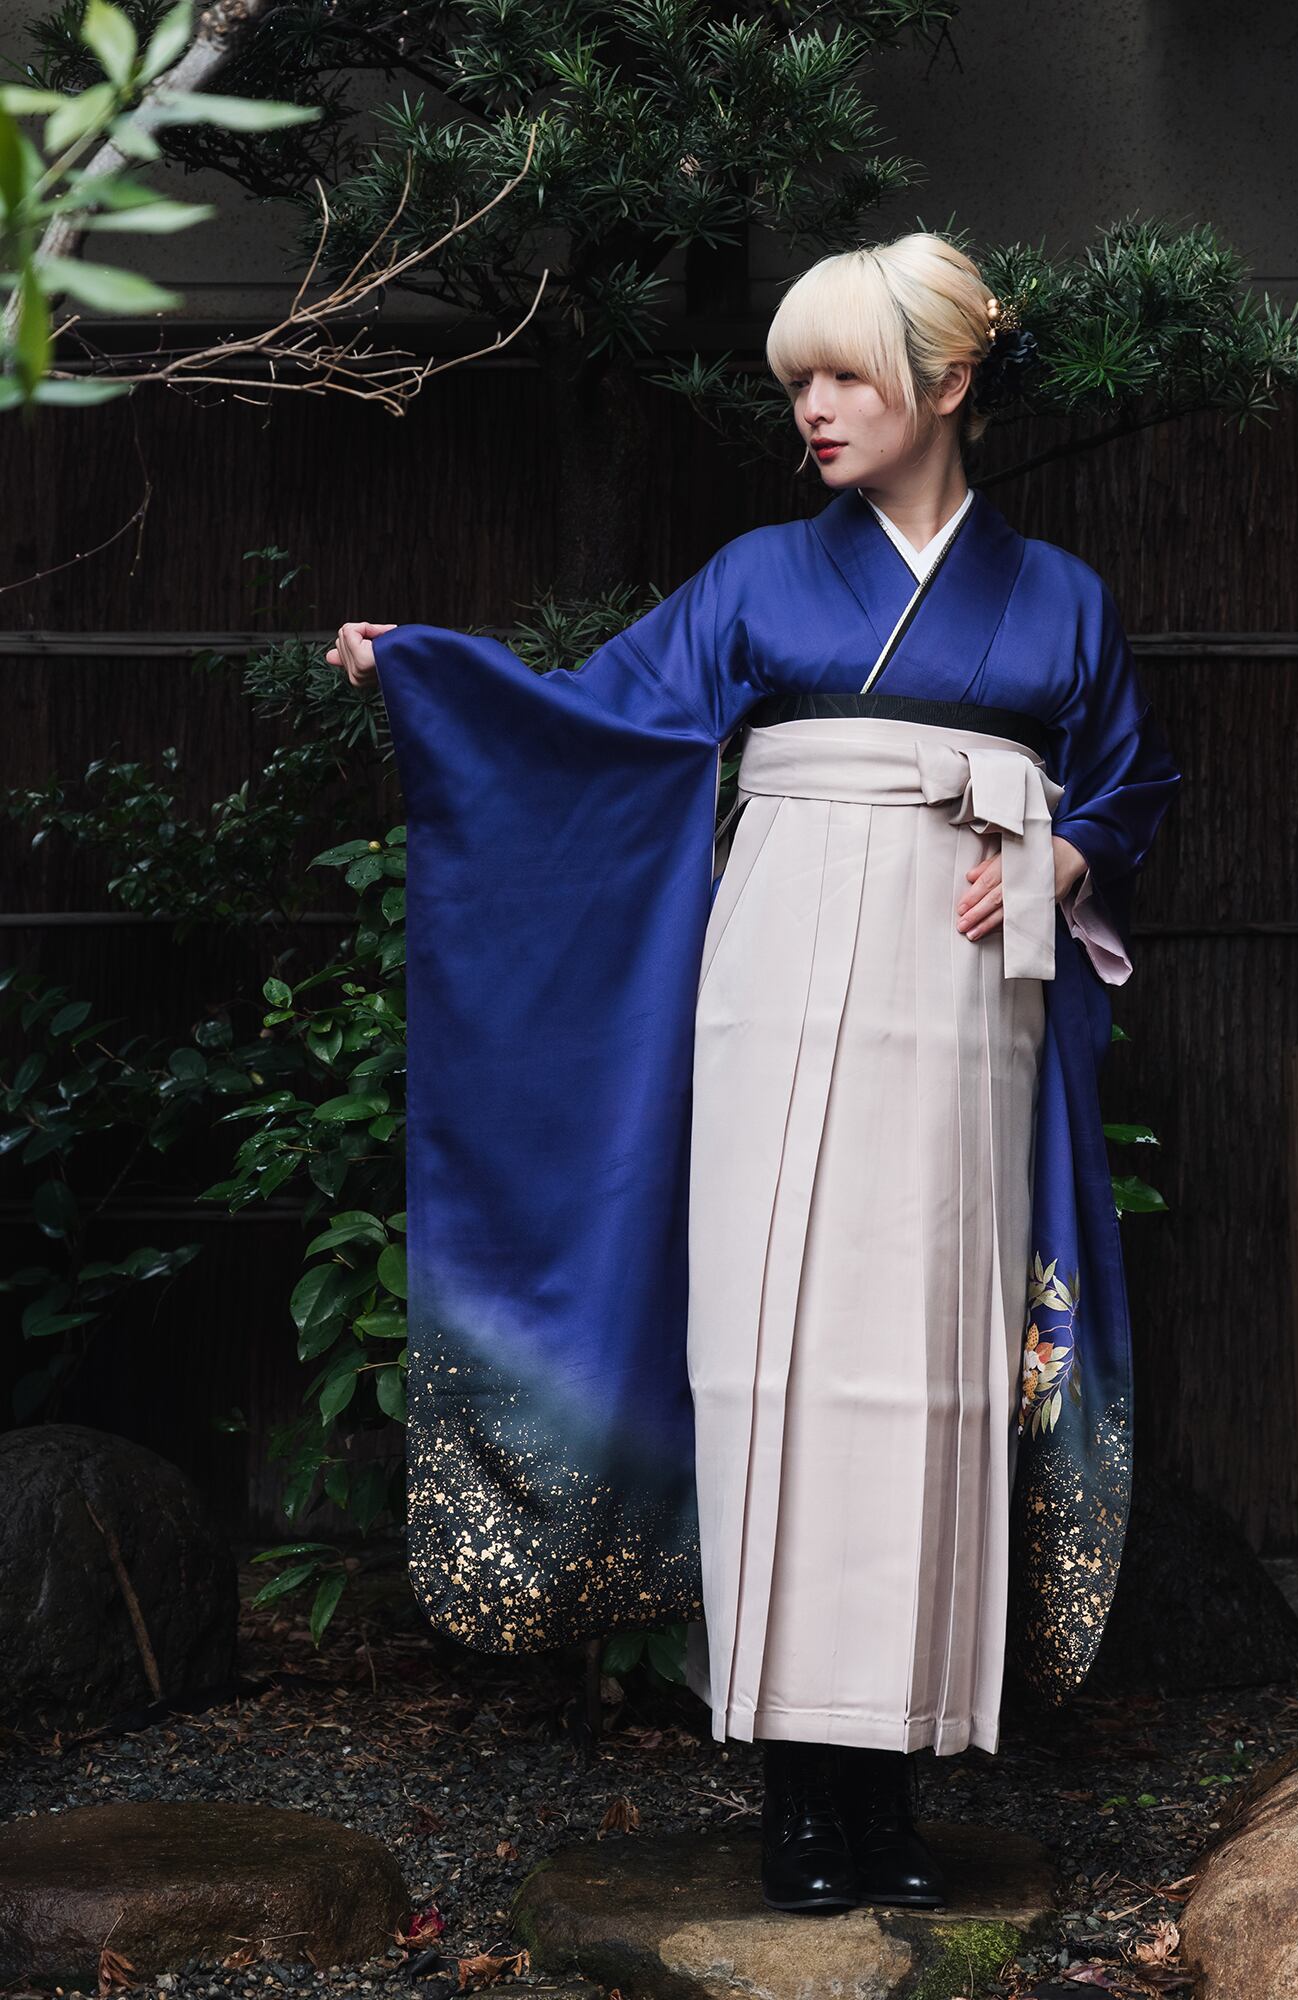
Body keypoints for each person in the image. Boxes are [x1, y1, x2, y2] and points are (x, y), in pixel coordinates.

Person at [327, 232, 1180, 1917]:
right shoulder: (754, 580)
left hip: (966, 991)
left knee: (935, 1364)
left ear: (949, 382)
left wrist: (1070, 854)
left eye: (848, 375)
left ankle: (898, 1780)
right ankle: (799, 1794)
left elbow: (1130, 778)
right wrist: (429, 673)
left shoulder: (1062, 599)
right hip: (776, 977)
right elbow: (589, 727)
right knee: (778, 1357)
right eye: (800, 381)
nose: (814, 408)